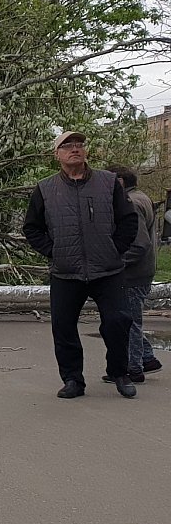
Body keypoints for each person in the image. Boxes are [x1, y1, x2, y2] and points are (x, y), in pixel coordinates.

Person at [22, 130, 139, 399]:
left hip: (107, 270)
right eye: (67, 146)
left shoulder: (109, 183)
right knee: (63, 326)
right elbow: (32, 228)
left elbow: (128, 221)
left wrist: (113, 249)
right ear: (57, 155)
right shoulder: (45, 188)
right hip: (66, 271)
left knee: (118, 321)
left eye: (79, 145)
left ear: (85, 152)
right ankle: (73, 380)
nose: (74, 149)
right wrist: (54, 252)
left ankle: (120, 373)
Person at [104, 164, 163, 383]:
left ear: (119, 182)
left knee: (129, 321)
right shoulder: (140, 196)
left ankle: (133, 369)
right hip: (141, 271)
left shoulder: (132, 203)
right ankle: (147, 358)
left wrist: (114, 262)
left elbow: (139, 245)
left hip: (132, 274)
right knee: (130, 318)